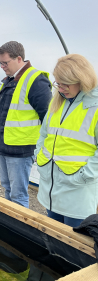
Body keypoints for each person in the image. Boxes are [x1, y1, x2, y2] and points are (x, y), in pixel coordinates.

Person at [35, 54, 98, 227]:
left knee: (75, 240)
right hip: (52, 185)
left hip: (77, 188)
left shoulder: (95, 106)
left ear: (81, 79)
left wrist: (86, 175)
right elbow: (44, 133)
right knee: (53, 236)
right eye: (58, 83)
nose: (60, 89)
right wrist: (39, 156)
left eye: (65, 84)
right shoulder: (58, 102)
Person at [0, 41, 52, 208]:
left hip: (21, 148)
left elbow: (48, 118)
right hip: (4, 144)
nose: (2, 66)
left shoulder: (36, 81)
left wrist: (44, 148)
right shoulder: (9, 80)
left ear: (18, 58)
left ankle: (18, 228)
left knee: (18, 194)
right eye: (0, 63)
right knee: (8, 188)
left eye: (5, 62)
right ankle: (9, 222)